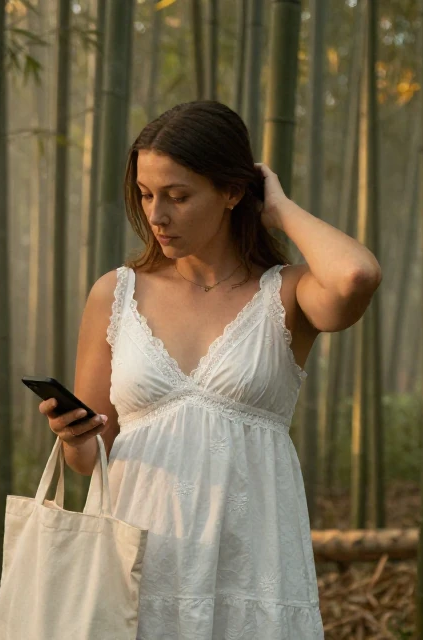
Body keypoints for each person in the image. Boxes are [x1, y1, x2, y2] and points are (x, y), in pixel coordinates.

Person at [40, 100, 381, 638]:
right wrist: (72, 436)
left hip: (251, 567)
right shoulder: (115, 294)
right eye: (147, 195)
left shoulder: (287, 293)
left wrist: (281, 208)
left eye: (178, 196)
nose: (157, 216)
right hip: (140, 562)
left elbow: (356, 276)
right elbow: (89, 460)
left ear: (231, 191)